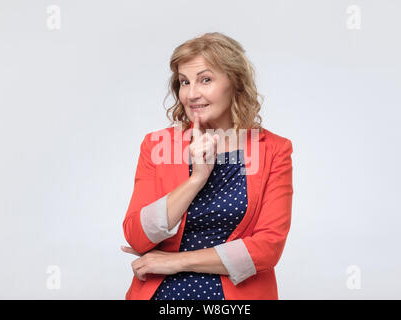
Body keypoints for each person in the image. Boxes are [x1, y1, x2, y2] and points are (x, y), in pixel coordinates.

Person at [121, 32, 294, 300]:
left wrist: (176, 262)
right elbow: (137, 236)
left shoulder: (273, 150)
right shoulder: (157, 145)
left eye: (205, 80)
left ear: (235, 83)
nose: (191, 94)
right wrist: (196, 179)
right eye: (184, 82)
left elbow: (267, 248)